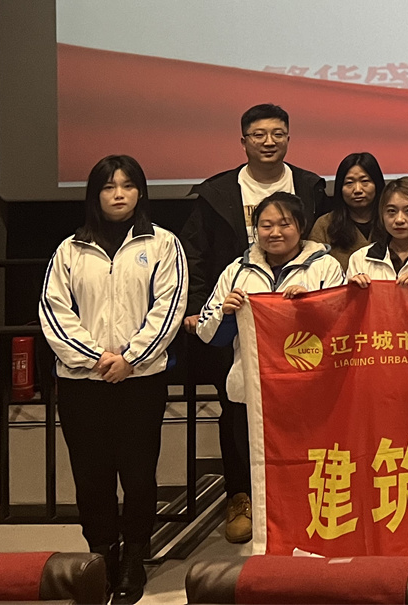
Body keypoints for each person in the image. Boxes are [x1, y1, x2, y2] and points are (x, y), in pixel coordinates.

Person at [39, 155, 187, 605]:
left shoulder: (163, 244)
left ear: (141, 192)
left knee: (139, 475)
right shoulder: (70, 249)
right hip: (82, 384)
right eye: (108, 187)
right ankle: (102, 555)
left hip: (140, 381)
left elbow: (169, 307)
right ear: (95, 195)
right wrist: (95, 358)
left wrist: (131, 359)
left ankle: (134, 557)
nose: (118, 194)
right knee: (91, 476)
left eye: (127, 185)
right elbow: (53, 311)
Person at [178, 103, 325, 544]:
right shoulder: (218, 192)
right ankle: (240, 496)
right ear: (243, 141)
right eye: (258, 134)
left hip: (300, 333)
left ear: (289, 138)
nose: (268, 142)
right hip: (241, 317)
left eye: (277, 133)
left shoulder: (310, 186)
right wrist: (201, 307)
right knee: (237, 410)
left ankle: (306, 498)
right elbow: (196, 254)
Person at [196, 191, 342, 566]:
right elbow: (209, 335)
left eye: (284, 224)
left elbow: (342, 325)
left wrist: (312, 305)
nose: (275, 232)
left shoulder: (325, 267)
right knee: (259, 471)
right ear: (255, 229)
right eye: (266, 225)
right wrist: (227, 313)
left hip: (307, 395)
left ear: (301, 226)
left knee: (307, 469)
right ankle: (267, 550)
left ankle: (310, 538)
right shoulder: (237, 270)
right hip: (252, 393)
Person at [309, 152, 385, 271]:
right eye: (349, 183)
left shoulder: (391, 220)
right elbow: (313, 269)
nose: (358, 190)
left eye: (365, 181)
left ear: (377, 184)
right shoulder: (325, 224)